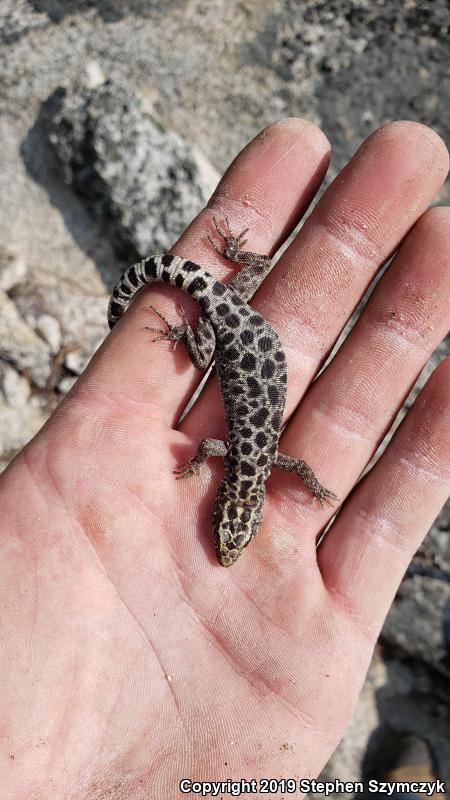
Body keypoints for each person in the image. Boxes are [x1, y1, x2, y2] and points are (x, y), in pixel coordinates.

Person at [1, 119, 449, 797]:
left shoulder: (253, 464)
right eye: (230, 533)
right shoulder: (234, 459)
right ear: (234, 508)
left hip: (245, 328)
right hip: (243, 331)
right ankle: (204, 284)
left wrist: (306, 481)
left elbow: (269, 462)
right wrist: (213, 461)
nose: (226, 536)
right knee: (201, 330)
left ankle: (208, 282)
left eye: (226, 531)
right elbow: (228, 453)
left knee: (201, 331)